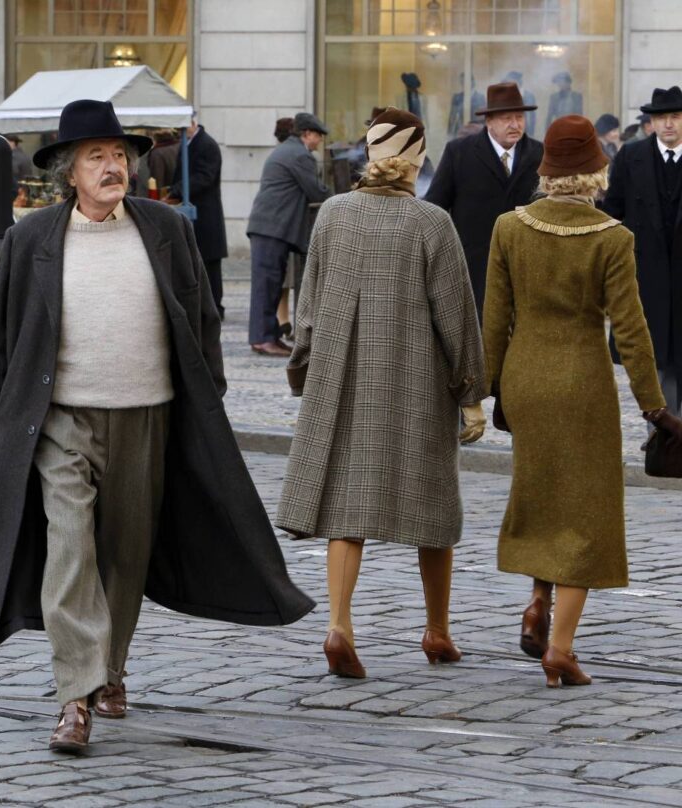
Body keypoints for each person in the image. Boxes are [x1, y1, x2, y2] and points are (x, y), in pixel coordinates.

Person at [0, 99, 313, 754]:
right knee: (71, 547)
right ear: (69, 171)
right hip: (62, 419)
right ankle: (74, 697)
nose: (112, 166)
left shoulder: (164, 229)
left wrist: (208, 394)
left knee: (125, 556)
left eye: (119, 154)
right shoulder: (31, 239)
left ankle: (111, 671)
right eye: (96, 156)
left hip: (149, 415)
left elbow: (200, 317)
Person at [278, 108, 486, 680]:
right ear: (418, 157)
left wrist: (304, 367)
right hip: (416, 381)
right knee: (432, 508)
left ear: (368, 153)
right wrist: (470, 391)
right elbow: (456, 316)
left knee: (348, 507)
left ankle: (339, 625)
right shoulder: (431, 222)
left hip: (343, 378)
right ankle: (437, 630)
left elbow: (309, 302)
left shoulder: (334, 216)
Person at [484, 115, 681, 688]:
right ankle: (561, 650)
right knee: (587, 514)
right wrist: (655, 407)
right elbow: (632, 329)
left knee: (542, 495)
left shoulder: (508, 229)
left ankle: (536, 603)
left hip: (525, 378)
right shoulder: (612, 237)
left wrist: (491, 390)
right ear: (598, 170)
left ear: (546, 173)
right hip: (582, 383)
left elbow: (494, 318)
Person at [424, 81, 542, 314]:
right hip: (474, 267)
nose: (514, 124)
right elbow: (435, 207)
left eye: (519, 117)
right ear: (489, 122)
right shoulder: (459, 152)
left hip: (526, 266)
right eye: (506, 118)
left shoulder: (539, 153)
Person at [603, 86, 682, 413]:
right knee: (653, 360)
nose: (668, 124)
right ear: (650, 122)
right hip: (646, 278)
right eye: (661, 118)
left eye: (675, 117)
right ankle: (663, 436)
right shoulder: (631, 157)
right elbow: (612, 214)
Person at [245, 111, 332, 356]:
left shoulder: (289, 150)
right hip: (272, 228)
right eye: (318, 136)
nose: (320, 141)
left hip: (270, 227)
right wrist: (346, 199)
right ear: (307, 134)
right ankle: (263, 339)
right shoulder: (299, 155)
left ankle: (268, 336)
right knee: (267, 285)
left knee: (269, 284)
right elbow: (316, 192)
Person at [168, 113, 227, 319]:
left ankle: (215, 307)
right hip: (196, 213)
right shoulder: (190, 142)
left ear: (192, 123)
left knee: (209, 265)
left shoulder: (206, 144)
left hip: (206, 215)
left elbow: (204, 177)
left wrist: (176, 191)